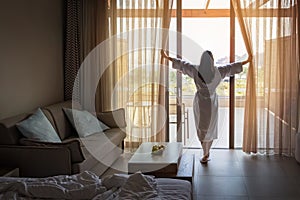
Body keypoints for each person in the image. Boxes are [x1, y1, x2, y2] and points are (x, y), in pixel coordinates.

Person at [161, 49, 251, 163]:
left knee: (201, 128)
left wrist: (166, 57)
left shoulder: (195, 69)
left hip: (200, 102)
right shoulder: (218, 71)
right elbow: (231, 67)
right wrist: (247, 61)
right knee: (211, 128)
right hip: (212, 103)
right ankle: (207, 153)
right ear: (212, 61)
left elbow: (182, 64)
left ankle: (205, 152)